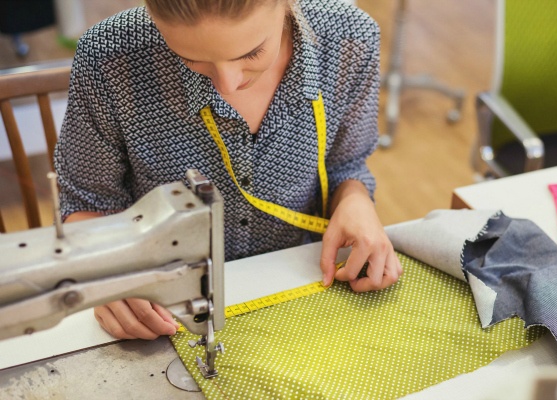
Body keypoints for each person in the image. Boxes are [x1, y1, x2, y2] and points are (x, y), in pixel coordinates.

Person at [55, 0, 403, 340]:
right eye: (191, 58)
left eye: (251, 54)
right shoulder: (108, 56)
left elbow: (346, 165)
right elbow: (86, 203)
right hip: (165, 302)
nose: (227, 85)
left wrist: (355, 201)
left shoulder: (348, 39)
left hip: (302, 279)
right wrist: (108, 272)